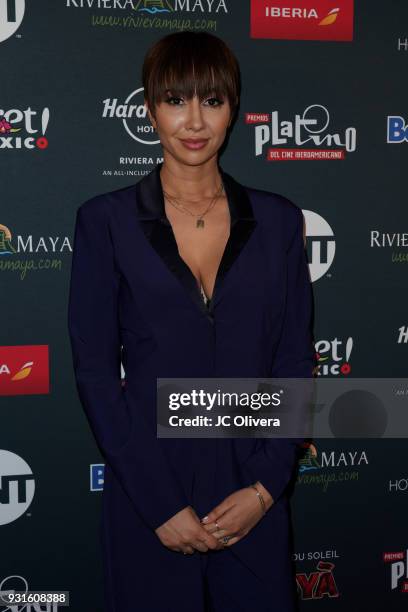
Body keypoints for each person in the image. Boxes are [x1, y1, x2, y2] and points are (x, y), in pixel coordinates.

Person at [67, 30, 315, 612]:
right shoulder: (105, 222)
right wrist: (158, 504)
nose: (195, 120)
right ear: (151, 108)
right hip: (150, 495)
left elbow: (295, 360)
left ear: (235, 109)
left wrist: (264, 487)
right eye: (177, 100)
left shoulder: (278, 223)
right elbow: (97, 374)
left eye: (212, 100)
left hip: (251, 492)